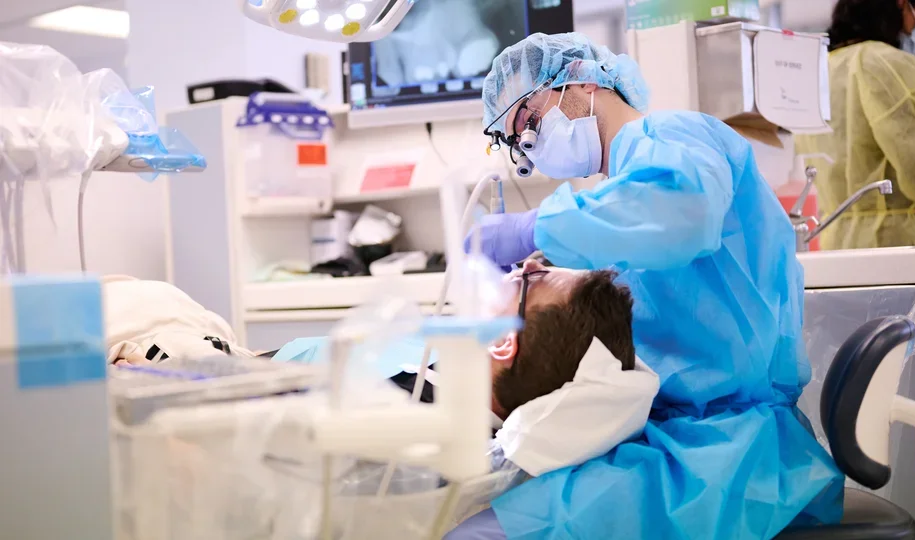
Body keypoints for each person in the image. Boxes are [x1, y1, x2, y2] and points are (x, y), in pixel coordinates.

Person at [455, 32, 843, 539]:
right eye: (522, 146)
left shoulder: (675, 137)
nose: (533, 145)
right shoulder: (620, 195)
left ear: (577, 81)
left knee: (488, 531)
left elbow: (680, 210)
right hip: (681, 431)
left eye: (530, 123)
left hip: (735, 451)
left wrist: (532, 229)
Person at [272, 260, 639, 423]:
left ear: (501, 342)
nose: (524, 264)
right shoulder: (443, 381)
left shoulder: (410, 420)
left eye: (535, 278)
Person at [796, 0, 915, 249]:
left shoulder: (820, 72)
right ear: (901, 4)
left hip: (837, 248)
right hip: (903, 248)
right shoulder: (888, 65)